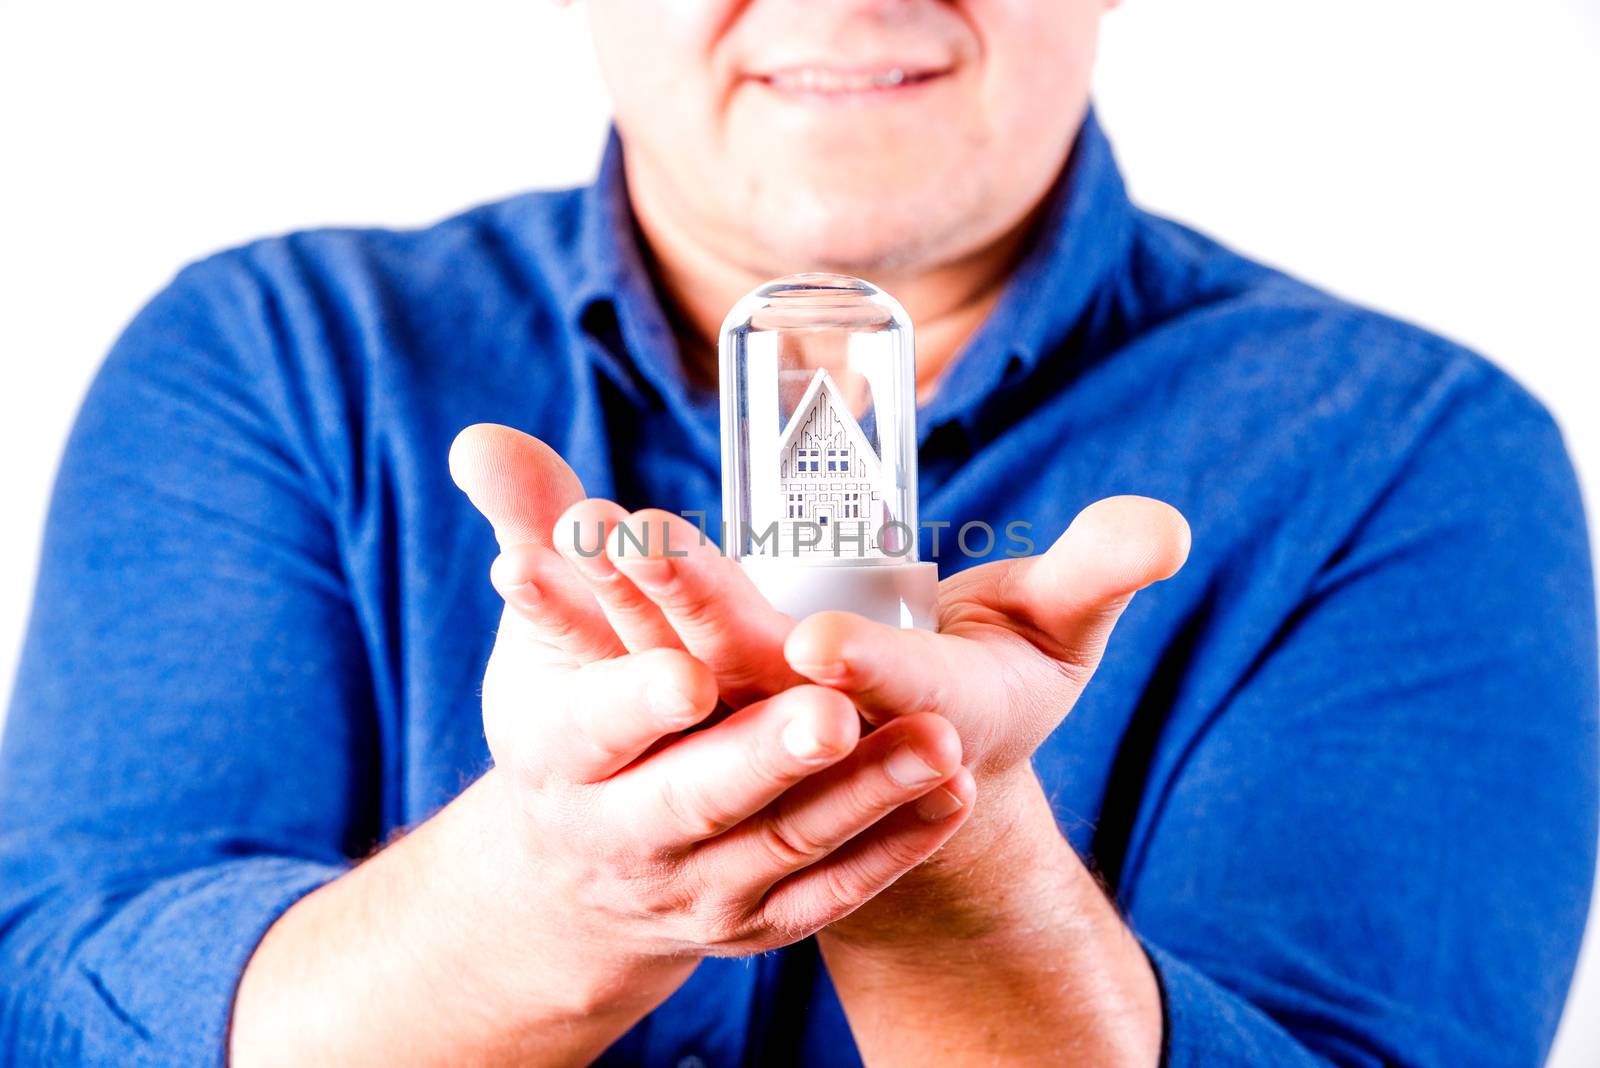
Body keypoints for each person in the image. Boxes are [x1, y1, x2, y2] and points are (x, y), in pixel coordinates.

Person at [0, 1, 1594, 1065]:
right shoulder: (277, 356)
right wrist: (557, 883)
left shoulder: (1410, 452)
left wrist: (948, 858)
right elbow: (64, 1004)